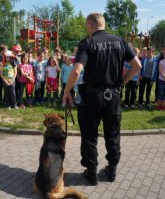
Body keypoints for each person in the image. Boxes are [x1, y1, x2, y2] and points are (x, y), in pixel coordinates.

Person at [62, 13, 141, 185]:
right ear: (103, 24)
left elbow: (76, 71)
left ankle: (92, 174)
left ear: (90, 25)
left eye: (86, 26)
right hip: (113, 96)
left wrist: (67, 91)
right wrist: (122, 82)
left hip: (92, 97)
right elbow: (137, 66)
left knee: (89, 136)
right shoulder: (120, 41)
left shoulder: (87, 43)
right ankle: (112, 171)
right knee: (113, 135)